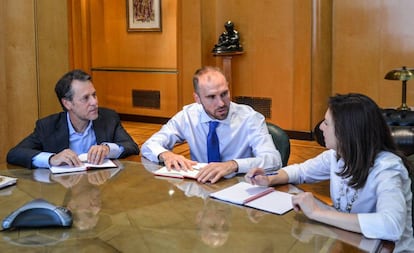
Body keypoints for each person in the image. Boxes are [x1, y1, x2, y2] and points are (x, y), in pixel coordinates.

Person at [245, 93, 414, 252]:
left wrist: (318, 213)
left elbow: (391, 226)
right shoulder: (337, 156)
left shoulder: (387, 168)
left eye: (326, 123)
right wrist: (269, 179)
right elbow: (301, 171)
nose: (320, 127)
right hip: (352, 242)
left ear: (347, 132)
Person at [141, 66, 281, 184]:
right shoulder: (188, 116)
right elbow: (149, 145)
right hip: (201, 188)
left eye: (224, 94)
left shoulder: (250, 118)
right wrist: (166, 155)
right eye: (211, 97)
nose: (221, 103)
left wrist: (233, 165)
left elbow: (273, 160)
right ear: (197, 98)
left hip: (239, 186)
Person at [7, 69, 139, 169]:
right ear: (67, 103)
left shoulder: (108, 118)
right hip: (64, 195)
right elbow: (14, 154)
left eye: (94, 95)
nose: (94, 102)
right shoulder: (48, 126)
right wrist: (52, 159)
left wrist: (108, 149)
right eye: (85, 98)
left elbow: (132, 147)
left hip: (101, 191)